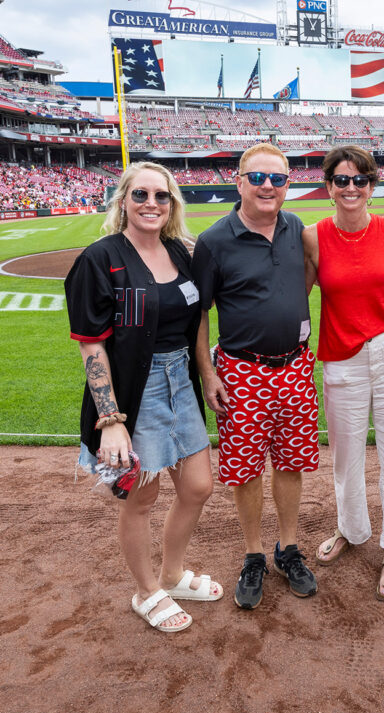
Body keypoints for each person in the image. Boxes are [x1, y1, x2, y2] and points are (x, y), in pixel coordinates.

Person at [65, 161, 222, 634]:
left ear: (172, 203)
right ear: (123, 201)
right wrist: (111, 418)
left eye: (161, 196)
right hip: (134, 387)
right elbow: (92, 344)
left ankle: (172, 576)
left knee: (197, 486)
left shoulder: (180, 251)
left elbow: (197, 320)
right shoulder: (100, 258)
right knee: (141, 495)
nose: (151, 203)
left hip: (181, 382)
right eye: (141, 195)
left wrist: (207, 371)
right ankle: (145, 590)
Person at [191, 143, 319, 611]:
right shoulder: (214, 240)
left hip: (296, 365)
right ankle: (254, 555)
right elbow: (200, 313)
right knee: (244, 470)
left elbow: (305, 274)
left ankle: (287, 549)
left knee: (290, 463)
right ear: (239, 180)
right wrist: (208, 372)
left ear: (288, 184)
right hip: (242, 371)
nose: (269, 186)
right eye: (258, 177)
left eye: (278, 178)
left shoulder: (296, 228)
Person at [303, 146, 384, 602]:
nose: (351, 188)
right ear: (329, 185)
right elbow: (293, 293)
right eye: (342, 180)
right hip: (341, 357)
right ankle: (350, 530)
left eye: (361, 180)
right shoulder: (312, 236)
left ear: (372, 186)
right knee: (346, 453)